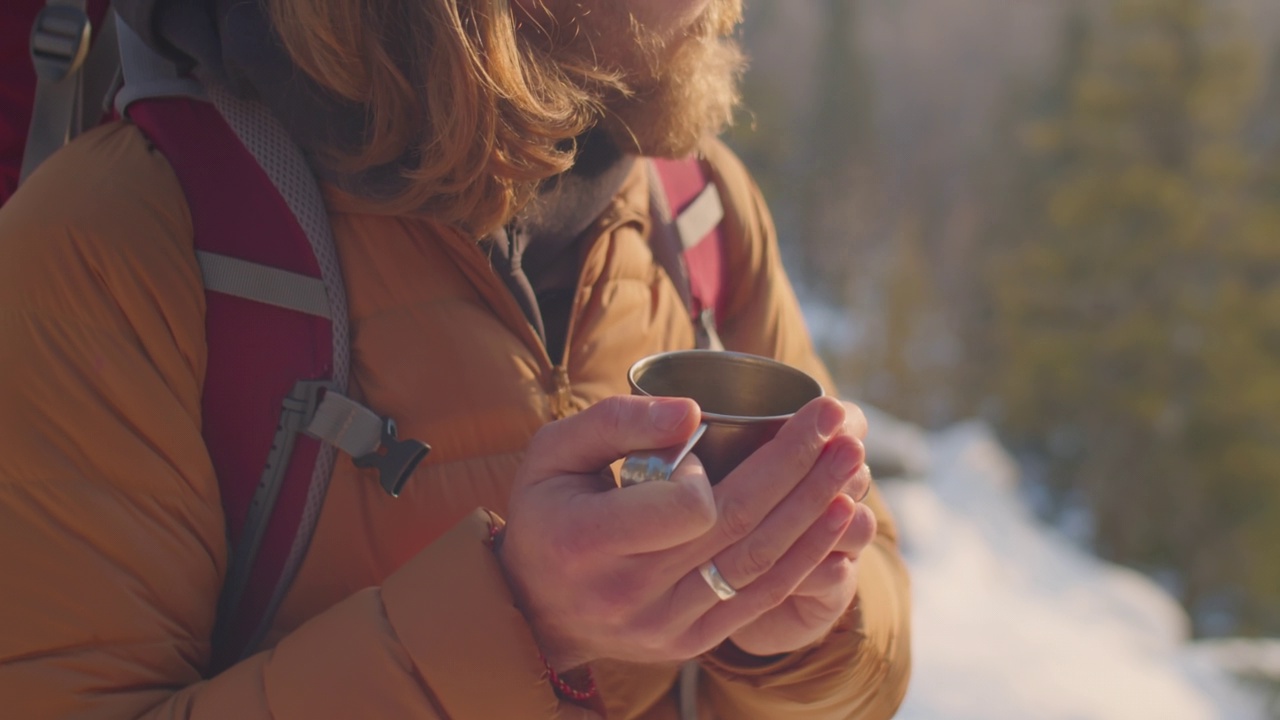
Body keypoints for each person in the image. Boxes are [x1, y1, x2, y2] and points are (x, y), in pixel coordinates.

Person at [0, 0, 912, 717]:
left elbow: (869, 647)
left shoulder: (698, 206)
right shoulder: (116, 240)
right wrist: (522, 617)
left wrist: (791, 636)